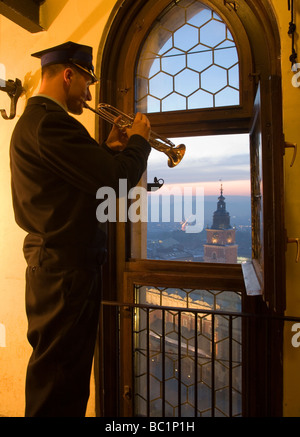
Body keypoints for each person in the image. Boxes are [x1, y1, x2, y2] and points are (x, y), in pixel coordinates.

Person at [9, 41, 151, 417]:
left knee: (63, 379)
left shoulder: (40, 122)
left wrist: (108, 150)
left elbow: (80, 184)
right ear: (69, 75)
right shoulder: (51, 123)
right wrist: (139, 142)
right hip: (64, 273)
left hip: (62, 269)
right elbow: (117, 183)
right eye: (86, 84)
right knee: (59, 385)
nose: (88, 94)